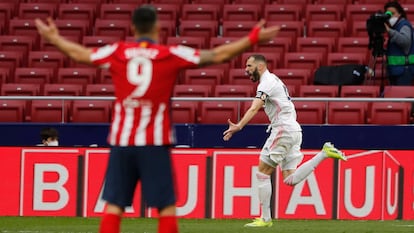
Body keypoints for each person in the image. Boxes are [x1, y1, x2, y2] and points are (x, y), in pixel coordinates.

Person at [35, 5, 280, 233]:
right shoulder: (169, 54)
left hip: (122, 142)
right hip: (154, 142)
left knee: (114, 207)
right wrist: (252, 39)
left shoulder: (117, 51)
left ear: (133, 28)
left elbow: (81, 54)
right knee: (165, 209)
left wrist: (54, 38)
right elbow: (216, 55)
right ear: (157, 27)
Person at [223, 54, 347, 227]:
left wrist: (239, 126)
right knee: (290, 179)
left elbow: (254, 107)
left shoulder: (267, 82)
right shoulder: (274, 80)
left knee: (262, 172)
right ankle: (324, 153)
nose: (246, 69)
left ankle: (265, 219)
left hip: (283, 129)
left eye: (249, 66)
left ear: (260, 67)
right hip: (294, 129)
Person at [384, 1, 414, 85]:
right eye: (389, 14)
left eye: (393, 13)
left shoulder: (404, 25)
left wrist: (389, 31)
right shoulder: (395, 27)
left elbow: (405, 42)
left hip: (404, 71)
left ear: (400, 13)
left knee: (402, 96)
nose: (391, 16)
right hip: (395, 70)